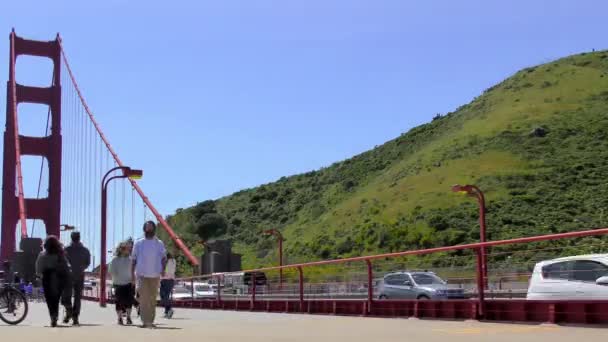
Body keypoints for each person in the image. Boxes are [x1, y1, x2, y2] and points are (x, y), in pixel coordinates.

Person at [131, 221, 167, 328]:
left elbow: (164, 257)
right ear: (144, 229)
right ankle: (145, 321)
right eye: (147, 227)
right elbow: (133, 259)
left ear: (154, 229)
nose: (149, 229)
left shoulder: (159, 243)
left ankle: (150, 320)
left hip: (155, 274)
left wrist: (163, 269)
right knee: (143, 298)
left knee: (152, 299)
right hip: (142, 274)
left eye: (151, 227)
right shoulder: (138, 243)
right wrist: (132, 274)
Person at [35, 235, 71, 327]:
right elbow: (66, 268)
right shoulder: (61, 255)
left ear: (45, 245)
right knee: (56, 298)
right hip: (59, 277)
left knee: (49, 299)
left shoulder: (42, 255)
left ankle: (53, 317)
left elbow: (38, 269)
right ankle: (55, 317)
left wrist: (40, 275)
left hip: (47, 278)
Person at [62, 231, 91, 325]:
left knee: (66, 296)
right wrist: (82, 268)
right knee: (77, 297)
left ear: (71, 238)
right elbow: (88, 263)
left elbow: (62, 262)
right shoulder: (85, 250)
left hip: (68, 275)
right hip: (80, 275)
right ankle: (75, 318)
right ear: (79, 238)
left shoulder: (66, 249)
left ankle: (69, 312)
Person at [109, 241, 136, 325]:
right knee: (118, 302)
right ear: (119, 249)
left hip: (128, 283)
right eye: (124, 248)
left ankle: (128, 317)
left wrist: (134, 280)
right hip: (118, 283)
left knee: (129, 302)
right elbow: (111, 271)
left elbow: (134, 271)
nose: (126, 250)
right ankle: (120, 318)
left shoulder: (130, 259)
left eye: (127, 248)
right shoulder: (114, 260)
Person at [160, 252, 176, 318]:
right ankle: (167, 312)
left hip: (165, 280)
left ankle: (169, 309)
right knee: (166, 296)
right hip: (171, 280)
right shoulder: (173, 261)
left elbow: (163, 271)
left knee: (163, 296)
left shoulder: (165, 261)